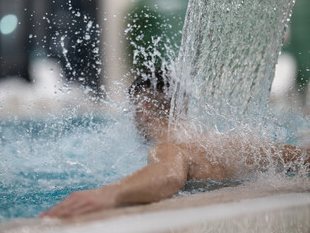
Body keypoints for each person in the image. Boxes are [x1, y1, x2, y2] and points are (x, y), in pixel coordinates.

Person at [40, 69, 310, 219]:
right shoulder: (228, 143)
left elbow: (169, 174)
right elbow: (300, 157)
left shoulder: (168, 147)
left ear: (142, 108)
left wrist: (112, 193)